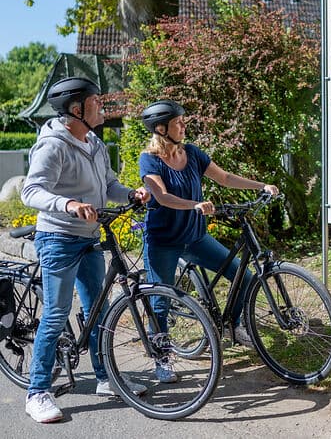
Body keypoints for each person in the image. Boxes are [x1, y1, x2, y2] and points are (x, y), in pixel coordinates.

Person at [20, 77, 150, 423]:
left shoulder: (94, 143)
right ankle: (38, 392)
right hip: (59, 238)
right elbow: (31, 191)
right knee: (57, 312)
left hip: (90, 236)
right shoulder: (53, 145)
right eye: (96, 102)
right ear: (77, 109)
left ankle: (106, 379)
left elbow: (108, 185)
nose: (102, 108)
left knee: (98, 309)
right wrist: (69, 204)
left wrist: (131, 194)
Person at [137, 100, 278, 382]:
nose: (184, 126)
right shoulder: (149, 159)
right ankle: (161, 359)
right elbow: (162, 196)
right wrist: (194, 205)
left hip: (195, 238)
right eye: (179, 122)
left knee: (244, 276)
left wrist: (260, 185)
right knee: (161, 302)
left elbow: (224, 177)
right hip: (163, 242)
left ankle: (234, 326)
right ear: (161, 128)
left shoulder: (192, 153)